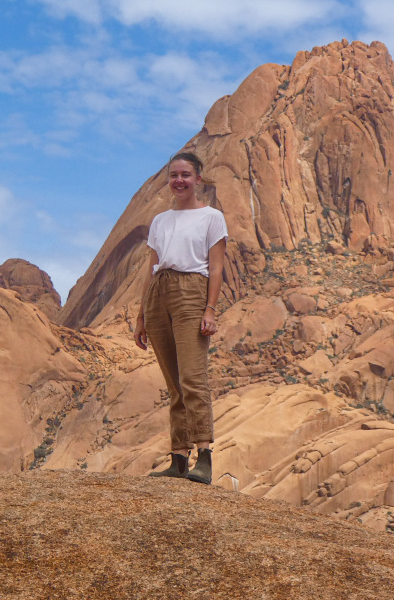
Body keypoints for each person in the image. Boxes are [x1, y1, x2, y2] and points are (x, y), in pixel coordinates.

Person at [134, 152, 228, 484]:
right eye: (174, 175)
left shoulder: (211, 217)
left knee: (192, 379)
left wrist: (210, 309)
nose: (179, 181)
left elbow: (216, 267)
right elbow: (151, 269)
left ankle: (204, 457)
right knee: (174, 383)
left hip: (192, 290)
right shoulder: (160, 221)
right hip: (159, 294)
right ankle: (178, 458)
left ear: (198, 179)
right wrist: (141, 316)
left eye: (186, 175)